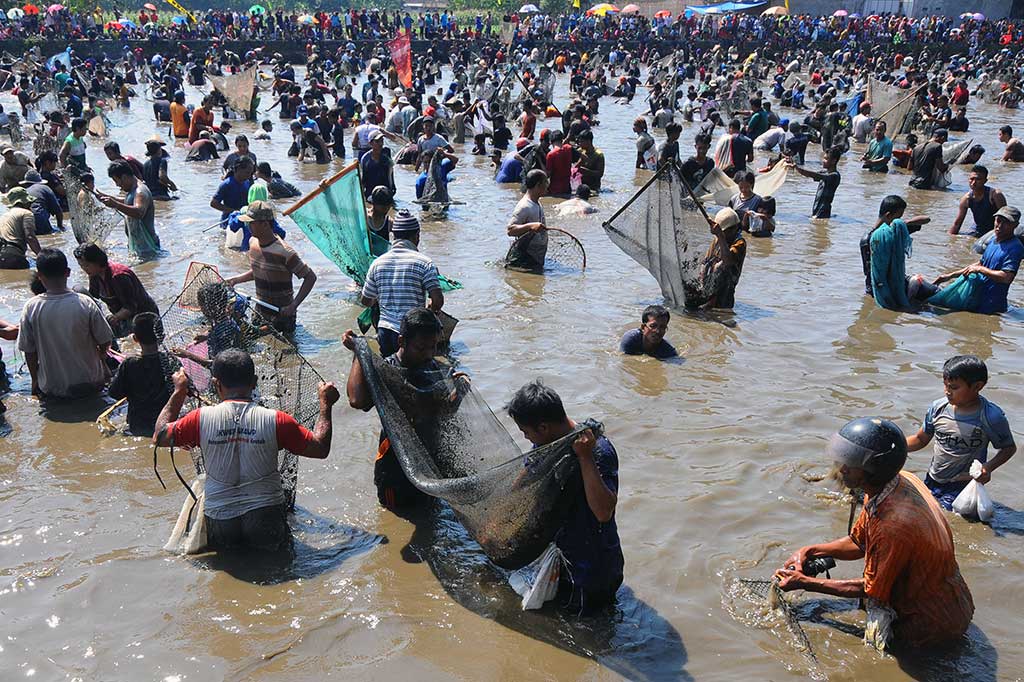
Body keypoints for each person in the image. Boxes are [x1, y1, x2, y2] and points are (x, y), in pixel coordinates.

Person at [774, 417, 974, 651]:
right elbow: (859, 543)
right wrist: (809, 551)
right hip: (949, 598)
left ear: (874, 469)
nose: (842, 468)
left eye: (851, 463)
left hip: (929, 623)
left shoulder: (892, 525)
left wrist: (806, 583)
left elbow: (871, 589)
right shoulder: (895, 482)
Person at [153, 349, 339, 552]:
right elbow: (320, 448)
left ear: (216, 384)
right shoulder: (277, 420)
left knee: (227, 570)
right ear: (255, 382)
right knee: (277, 564)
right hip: (266, 517)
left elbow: (160, 436)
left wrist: (179, 391)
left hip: (221, 518)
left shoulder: (199, 419)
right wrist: (325, 405)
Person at [507, 380, 623, 612]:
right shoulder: (549, 445)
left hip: (593, 572)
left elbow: (603, 512)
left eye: (526, 432)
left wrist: (585, 457)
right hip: (564, 563)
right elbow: (523, 481)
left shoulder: (598, 450)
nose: (526, 438)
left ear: (543, 428)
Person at [342, 308, 460, 510]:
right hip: (395, 466)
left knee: (430, 517)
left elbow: (445, 412)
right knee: (396, 515)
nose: (428, 354)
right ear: (401, 342)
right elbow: (357, 401)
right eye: (421, 348)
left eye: (433, 347)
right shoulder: (386, 369)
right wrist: (359, 353)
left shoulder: (434, 368)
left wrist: (460, 391)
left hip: (430, 461)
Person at [905, 355, 1016, 511]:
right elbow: (920, 439)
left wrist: (988, 467)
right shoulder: (938, 408)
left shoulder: (990, 416)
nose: (947, 392)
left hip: (962, 485)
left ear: (977, 386)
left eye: (954, 387)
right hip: (933, 478)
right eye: (945, 386)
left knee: (940, 515)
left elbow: (1008, 448)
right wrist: (892, 446)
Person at [18, 248, 113, 399]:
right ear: (68, 272)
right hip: (89, 383)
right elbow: (105, 341)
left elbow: (28, 351)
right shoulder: (85, 303)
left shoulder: (31, 307)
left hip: (52, 388)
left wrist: (35, 380)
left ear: (40, 276)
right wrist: (101, 359)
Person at [360, 210, 444, 357]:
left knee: (389, 374)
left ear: (394, 236)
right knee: (416, 376)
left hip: (385, 332)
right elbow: (438, 301)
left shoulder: (377, 263)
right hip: (413, 335)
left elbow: (366, 301)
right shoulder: (424, 263)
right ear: (417, 236)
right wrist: (431, 310)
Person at [224, 202, 316, 334]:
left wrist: (293, 305)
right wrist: (236, 279)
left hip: (282, 314)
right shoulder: (253, 243)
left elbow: (310, 277)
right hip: (260, 309)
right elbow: (260, 270)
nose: (248, 226)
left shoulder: (285, 252)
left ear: (265, 224)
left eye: (252, 223)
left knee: (287, 348)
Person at [931, 206, 1024, 315]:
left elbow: (1006, 278)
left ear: (1015, 226)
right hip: (976, 299)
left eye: (1006, 223)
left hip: (991, 307)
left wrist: (980, 269)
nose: (1000, 226)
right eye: (998, 220)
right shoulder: (993, 240)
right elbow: (980, 264)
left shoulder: (1015, 248)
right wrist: (950, 275)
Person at [107, 312, 180, 437]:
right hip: (167, 423)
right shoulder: (170, 361)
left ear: (135, 338)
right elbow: (185, 389)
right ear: (161, 336)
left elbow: (114, 393)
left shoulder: (129, 365)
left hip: (137, 426)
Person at [73, 243, 159, 338]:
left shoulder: (118, 276)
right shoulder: (94, 274)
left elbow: (131, 307)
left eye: (87, 265)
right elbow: (93, 297)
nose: (84, 269)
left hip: (144, 317)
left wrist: (115, 318)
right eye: (81, 266)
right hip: (123, 316)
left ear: (97, 261)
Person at [862, 195, 932, 309]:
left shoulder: (896, 230)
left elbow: (926, 219)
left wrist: (904, 223)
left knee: (933, 292)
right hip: (880, 287)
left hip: (896, 282)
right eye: (898, 217)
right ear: (889, 215)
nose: (900, 220)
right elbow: (873, 271)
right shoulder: (873, 239)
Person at [97, 161, 160, 259]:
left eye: (116, 181)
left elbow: (139, 212)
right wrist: (108, 198)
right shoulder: (133, 190)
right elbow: (128, 201)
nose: (117, 185)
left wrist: (115, 204)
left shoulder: (140, 191)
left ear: (124, 177)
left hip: (148, 246)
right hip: (140, 245)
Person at [686, 207, 746, 310]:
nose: (722, 234)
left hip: (724, 293)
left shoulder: (739, 243)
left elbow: (728, 261)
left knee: (720, 316)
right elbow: (706, 261)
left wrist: (720, 236)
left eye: (724, 232)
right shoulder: (717, 240)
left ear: (734, 228)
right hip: (709, 288)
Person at [506, 169, 549, 272]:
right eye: (545, 182)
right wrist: (530, 226)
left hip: (535, 258)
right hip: (526, 260)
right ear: (538, 185)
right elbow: (510, 230)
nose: (547, 186)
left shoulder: (537, 202)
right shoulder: (524, 206)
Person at [949, 165, 1006, 237]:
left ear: (985, 181)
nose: (973, 182)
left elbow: (1005, 218)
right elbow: (957, 224)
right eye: (971, 179)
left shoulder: (995, 195)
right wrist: (951, 239)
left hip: (994, 230)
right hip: (978, 230)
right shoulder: (966, 199)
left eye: (978, 179)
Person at [789, 146, 841, 219]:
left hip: (823, 210)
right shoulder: (825, 172)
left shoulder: (834, 176)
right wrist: (793, 165)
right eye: (824, 158)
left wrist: (797, 168)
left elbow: (814, 175)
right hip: (817, 208)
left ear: (833, 161)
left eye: (826, 159)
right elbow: (810, 174)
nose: (823, 160)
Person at [0, 187, 40, 269]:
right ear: (24, 202)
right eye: (29, 202)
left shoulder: (4, 216)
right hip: (14, 256)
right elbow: (30, 237)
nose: (30, 205)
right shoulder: (26, 213)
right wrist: (41, 256)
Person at [728, 170, 775, 237]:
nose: (743, 190)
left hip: (751, 233)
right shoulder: (734, 199)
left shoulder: (758, 200)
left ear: (752, 184)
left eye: (747, 187)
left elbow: (766, 224)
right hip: (737, 233)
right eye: (741, 187)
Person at [211, 157, 253, 226]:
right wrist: (233, 211)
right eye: (247, 172)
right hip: (228, 221)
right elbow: (213, 203)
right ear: (239, 169)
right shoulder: (227, 184)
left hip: (244, 220)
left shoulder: (247, 182)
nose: (249, 176)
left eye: (251, 173)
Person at [20, 170, 63, 235]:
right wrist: (60, 226)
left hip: (26, 224)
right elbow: (58, 211)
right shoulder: (45, 188)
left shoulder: (23, 192)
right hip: (40, 220)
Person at [359, 129, 396, 200]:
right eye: (377, 141)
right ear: (370, 143)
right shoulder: (365, 159)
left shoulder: (386, 153)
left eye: (382, 140)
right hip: (371, 193)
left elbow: (390, 172)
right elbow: (363, 180)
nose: (380, 144)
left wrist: (393, 188)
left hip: (386, 190)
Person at [142, 135, 177, 200]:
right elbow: (162, 176)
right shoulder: (162, 161)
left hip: (150, 196)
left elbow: (146, 180)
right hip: (161, 195)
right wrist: (172, 184)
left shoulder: (145, 164)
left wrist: (167, 185)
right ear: (159, 150)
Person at [545, 130, 572, 197]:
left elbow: (548, 174)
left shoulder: (551, 154)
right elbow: (582, 157)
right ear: (562, 139)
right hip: (567, 187)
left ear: (550, 142)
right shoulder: (568, 149)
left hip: (555, 188)